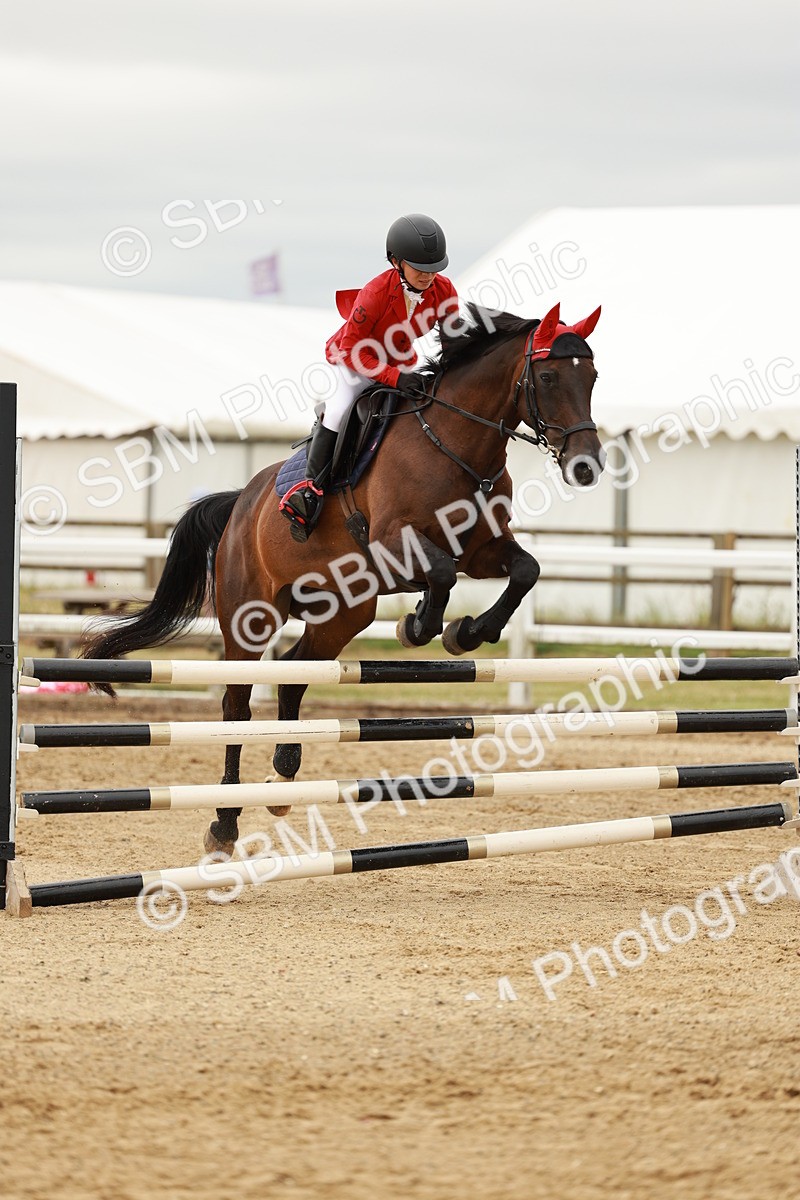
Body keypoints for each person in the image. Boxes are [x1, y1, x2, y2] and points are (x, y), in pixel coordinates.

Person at [279, 213, 459, 540]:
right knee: (338, 410)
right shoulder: (375, 293)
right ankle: (310, 490)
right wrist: (394, 378)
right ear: (396, 262)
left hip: (398, 357)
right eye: (420, 268)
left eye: (434, 269)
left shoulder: (443, 290)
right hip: (355, 359)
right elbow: (351, 350)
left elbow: (452, 337)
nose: (428, 276)